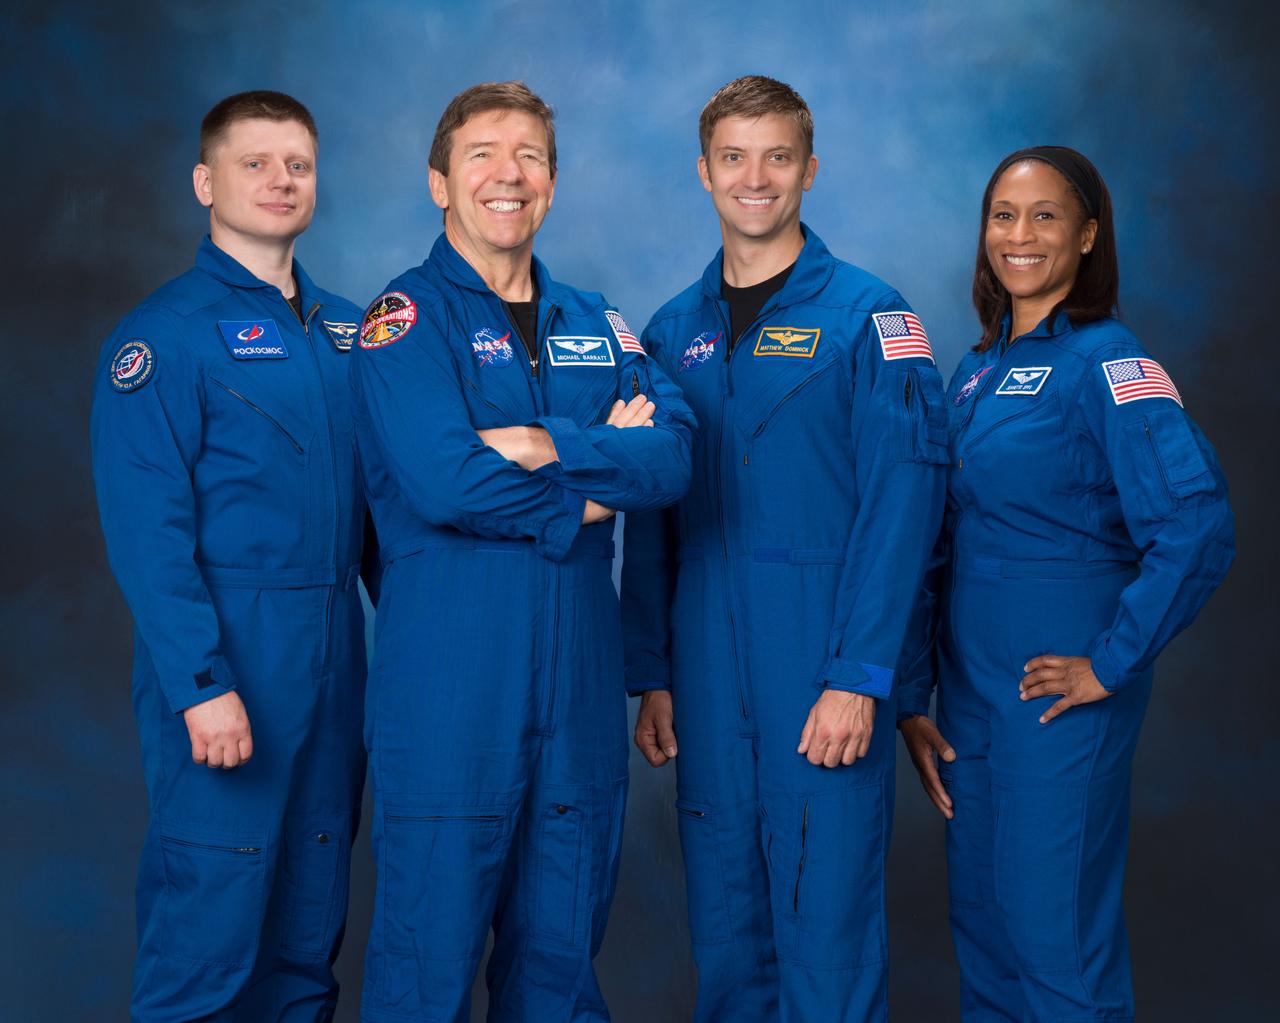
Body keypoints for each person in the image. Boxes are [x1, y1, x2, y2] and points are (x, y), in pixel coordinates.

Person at [350, 81, 694, 1022]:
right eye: (482, 156)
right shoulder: (402, 321)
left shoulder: (597, 320)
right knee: (426, 969)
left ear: (552, 182)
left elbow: (672, 455)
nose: (509, 175)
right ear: (439, 183)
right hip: (453, 692)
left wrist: (543, 444)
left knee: (559, 972)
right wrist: (590, 489)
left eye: (531, 157)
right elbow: (444, 481)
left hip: (578, 697)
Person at [621, 76, 947, 1021]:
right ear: (704, 172)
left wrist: (861, 675)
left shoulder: (870, 320)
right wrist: (652, 671)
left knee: (828, 938)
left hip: (820, 667)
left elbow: (904, 510)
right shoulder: (670, 331)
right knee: (727, 937)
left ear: (810, 169)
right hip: (707, 677)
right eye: (733, 157)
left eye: (776, 157)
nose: (754, 178)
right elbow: (653, 518)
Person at [896, 146, 1235, 1021]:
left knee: (1054, 944)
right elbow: (939, 542)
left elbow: (1196, 524)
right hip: (971, 697)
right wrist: (911, 692)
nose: (1020, 234)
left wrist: (1109, 663)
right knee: (987, 931)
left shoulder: (1108, 363)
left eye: (1046, 215)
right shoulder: (976, 372)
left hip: (1058, 703)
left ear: (1087, 235)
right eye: (1004, 215)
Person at [90, 92, 375, 1021]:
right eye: (255, 163)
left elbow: (391, 509)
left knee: (309, 921)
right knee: (210, 920)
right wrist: (200, 682)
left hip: (338, 658)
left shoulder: (352, 332)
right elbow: (148, 533)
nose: (281, 181)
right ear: (207, 183)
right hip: (231, 656)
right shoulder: (160, 338)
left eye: (297, 164)